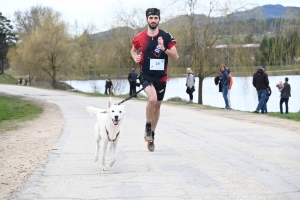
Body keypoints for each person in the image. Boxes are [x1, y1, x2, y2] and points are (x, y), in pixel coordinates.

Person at [130, 8, 179, 152]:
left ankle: (152, 135)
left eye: (155, 18)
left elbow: (176, 56)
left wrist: (164, 49)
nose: (153, 20)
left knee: (157, 107)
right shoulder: (140, 37)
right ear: (146, 19)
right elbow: (132, 50)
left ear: (159, 20)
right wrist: (135, 57)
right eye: (150, 18)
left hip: (161, 78)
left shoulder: (166, 36)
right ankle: (147, 126)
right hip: (146, 75)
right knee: (152, 99)